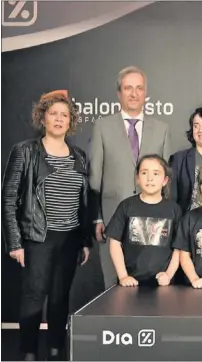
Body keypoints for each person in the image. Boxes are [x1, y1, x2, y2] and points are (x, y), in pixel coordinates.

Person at [1, 92, 92, 361]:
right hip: (38, 237)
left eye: (65, 115)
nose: (59, 119)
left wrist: (85, 240)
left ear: (71, 121)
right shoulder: (25, 151)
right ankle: (28, 352)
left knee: (60, 297)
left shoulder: (79, 156)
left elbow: (83, 202)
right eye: (53, 113)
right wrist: (14, 242)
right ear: (43, 118)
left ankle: (55, 349)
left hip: (70, 238)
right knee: (33, 296)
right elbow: (7, 199)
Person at [89, 66, 172, 289]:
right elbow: (95, 178)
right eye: (128, 88)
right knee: (113, 283)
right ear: (119, 93)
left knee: (150, 287)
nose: (134, 94)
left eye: (139, 88)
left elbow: (166, 179)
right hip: (112, 216)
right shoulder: (102, 127)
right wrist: (97, 217)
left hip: (152, 222)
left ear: (146, 93)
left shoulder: (162, 129)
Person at [105, 155, 181, 287]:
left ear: (165, 180)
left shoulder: (174, 210)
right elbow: (115, 242)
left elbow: (179, 247)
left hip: (163, 284)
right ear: (138, 179)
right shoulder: (126, 206)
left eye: (156, 174)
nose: (150, 178)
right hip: (131, 283)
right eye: (144, 173)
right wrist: (123, 276)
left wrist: (168, 274)